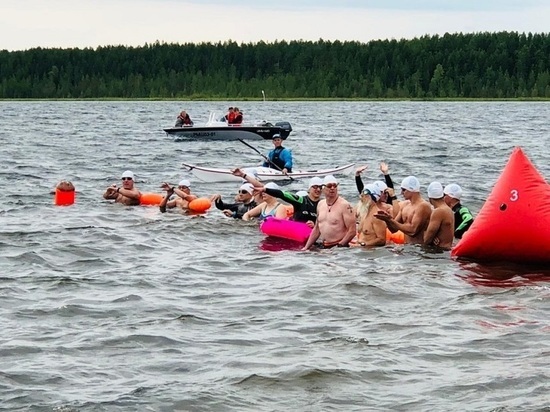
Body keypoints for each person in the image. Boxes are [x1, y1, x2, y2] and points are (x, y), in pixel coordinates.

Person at [303, 175, 356, 249]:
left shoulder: (345, 205)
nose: (332, 188)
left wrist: (339, 246)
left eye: (335, 186)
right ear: (323, 188)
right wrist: (306, 248)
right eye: (329, 186)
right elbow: (317, 229)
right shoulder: (320, 204)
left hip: (340, 247)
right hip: (325, 246)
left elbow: (352, 231)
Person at [374, 176, 432, 244]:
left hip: (419, 248)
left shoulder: (423, 206)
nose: (401, 193)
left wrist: (390, 220)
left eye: (403, 190)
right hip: (407, 246)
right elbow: (393, 230)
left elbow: (413, 231)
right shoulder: (405, 205)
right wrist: (387, 220)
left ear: (411, 189)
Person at [255, 176, 323, 228]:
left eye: (320, 187)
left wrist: (315, 226)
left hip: (312, 233)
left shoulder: (323, 204)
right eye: (315, 187)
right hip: (296, 231)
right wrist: (265, 190)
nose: (318, 189)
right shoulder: (300, 200)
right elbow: (283, 194)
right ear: (309, 189)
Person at [423, 182, 455, 250]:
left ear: (430, 198)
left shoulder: (438, 211)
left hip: (439, 251)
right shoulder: (448, 209)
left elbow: (427, 239)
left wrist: (429, 236)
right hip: (447, 250)